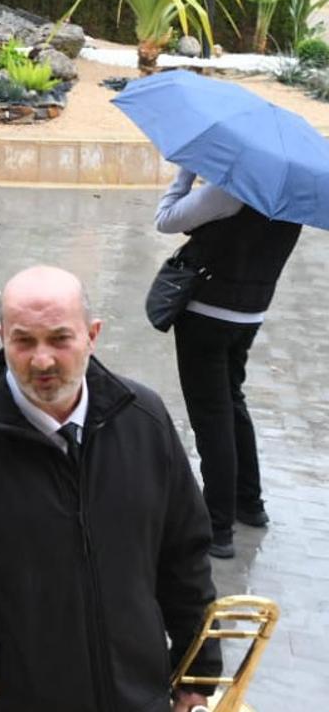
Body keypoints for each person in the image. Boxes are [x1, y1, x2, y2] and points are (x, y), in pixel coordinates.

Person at [0, 266, 221, 712]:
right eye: (23, 341)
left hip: (137, 696)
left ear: (92, 335)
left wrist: (197, 672)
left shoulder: (146, 420)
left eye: (60, 339)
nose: (42, 360)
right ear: (1, 336)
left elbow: (185, 553)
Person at [155, 166, 302, 558]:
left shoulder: (230, 190)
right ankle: (249, 504)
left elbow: (166, 220)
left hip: (207, 312)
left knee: (211, 416)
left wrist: (184, 174)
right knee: (231, 401)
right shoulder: (293, 195)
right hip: (250, 314)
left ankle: (217, 527)